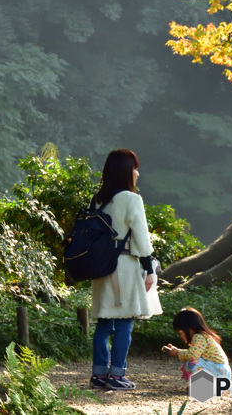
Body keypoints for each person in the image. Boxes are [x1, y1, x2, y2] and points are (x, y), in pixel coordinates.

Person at [89, 148, 162, 391]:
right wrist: (149, 268)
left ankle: (99, 374)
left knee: (104, 323)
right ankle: (117, 375)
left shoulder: (97, 199)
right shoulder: (131, 199)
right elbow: (141, 238)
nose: (138, 173)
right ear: (125, 171)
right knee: (124, 323)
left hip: (101, 265)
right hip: (124, 266)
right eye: (135, 168)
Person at [162, 307, 231, 380]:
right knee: (192, 362)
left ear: (190, 328)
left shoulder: (199, 337)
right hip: (220, 370)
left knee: (191, 363)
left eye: (181, 332)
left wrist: (177, 353)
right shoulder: (204, 336)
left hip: (218, 370)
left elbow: (192, 355)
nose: (181, 336)